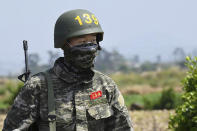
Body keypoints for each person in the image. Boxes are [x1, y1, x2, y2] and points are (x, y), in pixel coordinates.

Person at [3, 9, 134, 131]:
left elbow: (123, 128)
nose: (89, 47)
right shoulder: (38, 86)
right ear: (65, 44)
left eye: (93, 41)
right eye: (82, 42)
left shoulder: (106, 85)